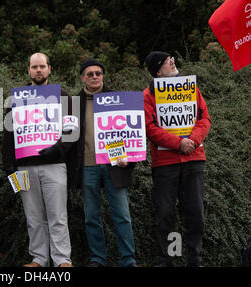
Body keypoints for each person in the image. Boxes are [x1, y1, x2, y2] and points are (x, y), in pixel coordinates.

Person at [2, 52, 73, 267]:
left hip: (54, 165)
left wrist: (59, 149)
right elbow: (9, 134)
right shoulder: (16, 98)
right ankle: (39, 259)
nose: (38, 70)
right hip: (24, 167)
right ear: (29, 70)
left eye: (42, 66)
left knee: (58, 216)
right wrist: (8, 163)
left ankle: (62, 259)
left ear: (50, 69)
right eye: (34, 67)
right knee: (33, 217)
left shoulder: (64, 96)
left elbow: (72, 129)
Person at [66, 58, 139, 267]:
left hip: (114, 164)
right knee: (91, 216)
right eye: (90, 74)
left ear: (103, 76)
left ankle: (128, 260)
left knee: (122, 215)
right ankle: (98, 259)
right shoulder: (73, 103)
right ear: (82, 78)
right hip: (87, 166)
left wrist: (130, 158)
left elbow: (132, 132)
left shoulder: (118, 99)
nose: (95, 77)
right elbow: (67, 137)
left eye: (98, 73)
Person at [143, 51, 211, 267]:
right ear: (157, 70)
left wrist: (191, 140)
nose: (172, 62)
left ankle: (194, 259)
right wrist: (177, 143)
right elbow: (149, 127)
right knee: (166, 214)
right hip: (165, 164)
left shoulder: (191, 89)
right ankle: (169, 259)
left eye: (172, 59)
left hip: (193, 160)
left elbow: (204, 118)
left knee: (195, 213)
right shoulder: (147, 95)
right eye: (166, 61)